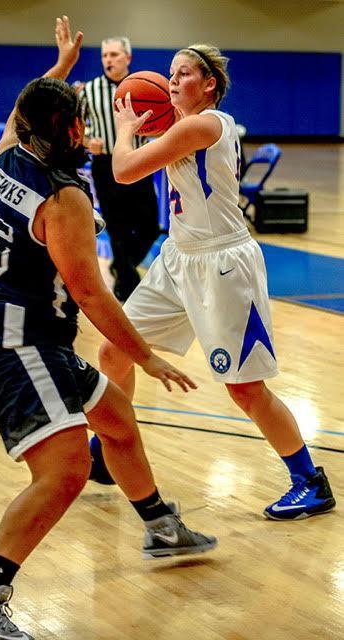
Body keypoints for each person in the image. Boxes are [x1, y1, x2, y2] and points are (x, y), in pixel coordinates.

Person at [0, 19, 217, 640]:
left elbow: (25, 104)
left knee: (116, 420)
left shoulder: (11, 149)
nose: (86, 132)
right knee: (67, 471)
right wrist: (146, 355)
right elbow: (92, 292)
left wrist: (61, 65)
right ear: (69, 131)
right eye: (80, 126)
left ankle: (159, 525)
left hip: (23, 332)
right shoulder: (64, 199)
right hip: (15, 342)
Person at [96, 43, 336, 522]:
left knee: (245, 390)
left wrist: (124, 130)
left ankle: (310, 480)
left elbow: (123, 171)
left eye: (183, 74)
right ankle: (106, 451)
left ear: (209, 85)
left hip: (224, 266)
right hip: (179, 257)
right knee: (112, 349)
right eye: (169, 74)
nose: (171, 81)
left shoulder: (208, 124)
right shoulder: (180, 127)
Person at [79, 37, 160, 302]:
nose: (108, 60)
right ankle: (126, 285)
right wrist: (88, 141)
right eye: (105, 56)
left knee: (149, 225)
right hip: (106, 165)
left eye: (114, 54)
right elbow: (76, 127)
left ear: (128, 57)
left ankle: (122, 266)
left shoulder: (143, 88)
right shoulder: (88, 90)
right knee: (117, 226)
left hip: (139, 159)